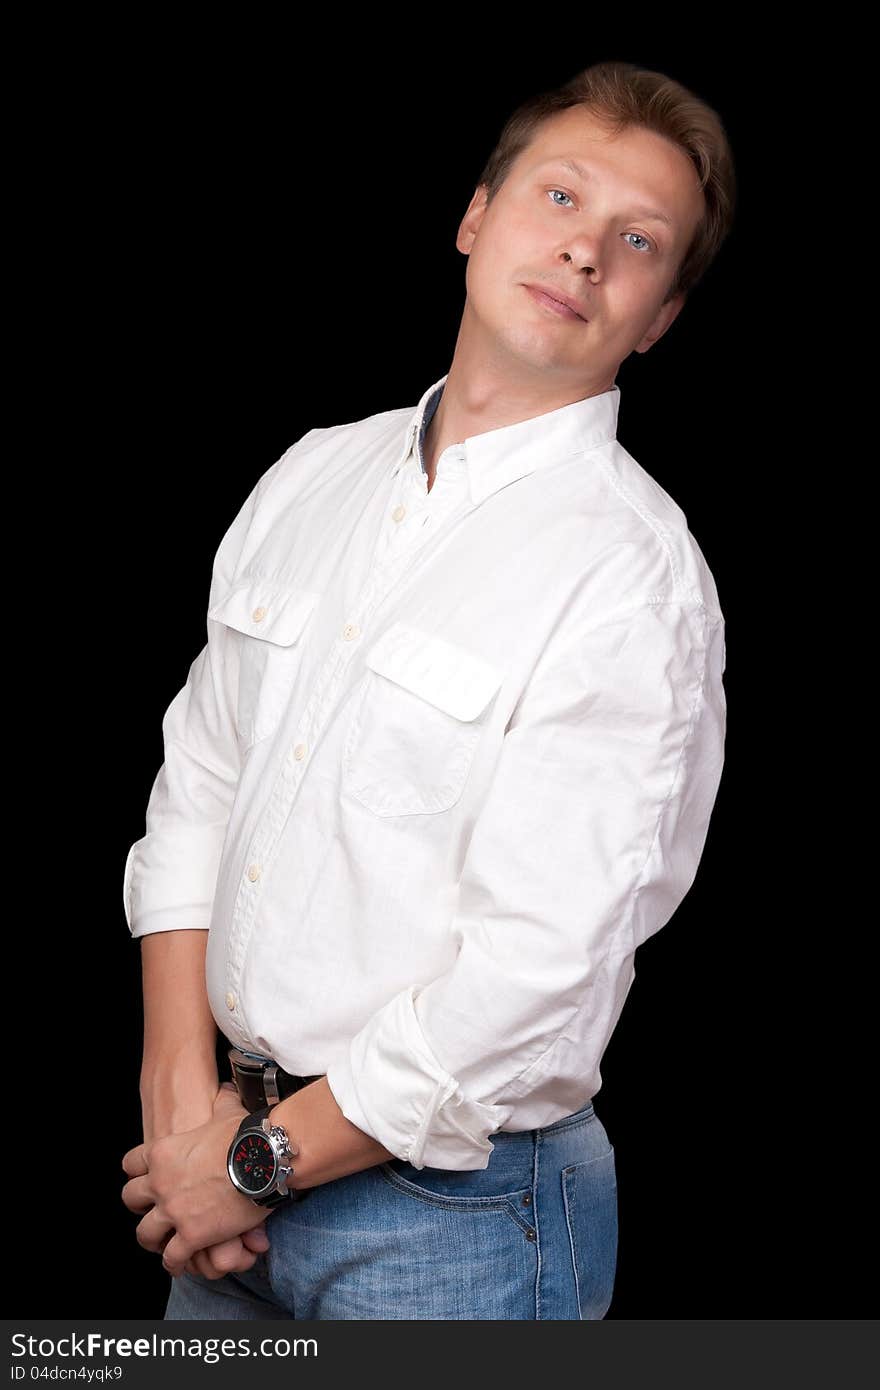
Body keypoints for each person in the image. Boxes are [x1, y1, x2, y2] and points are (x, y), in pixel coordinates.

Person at [120, 58, 735, 1320]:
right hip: (224, 1171)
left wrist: (257, 1161)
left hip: (453, 1218)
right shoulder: (315, 473)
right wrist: (179, 1092)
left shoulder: (633, 582)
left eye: (635, 240)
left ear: (658, 313)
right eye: (558, 200)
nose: (582, 255)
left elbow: (536, 973)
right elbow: (203, 782)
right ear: (475, 217)